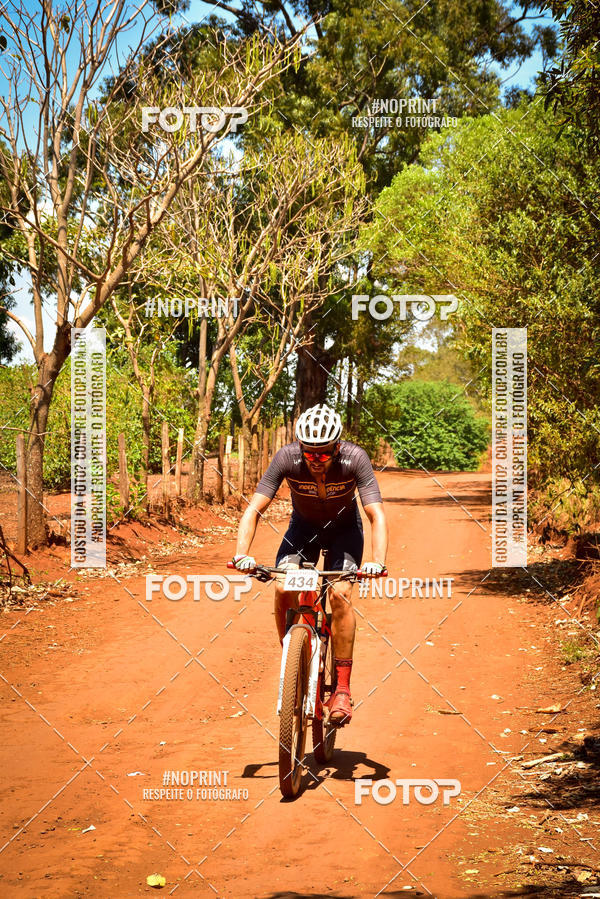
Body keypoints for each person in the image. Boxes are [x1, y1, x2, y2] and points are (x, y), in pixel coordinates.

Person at [231, 404, 388, 726]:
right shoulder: (287, 458)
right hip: (302, 531)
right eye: (309, 453)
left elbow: (375, 514)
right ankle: (293, 653)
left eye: (323, 454)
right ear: (300, 447)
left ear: (338, 447)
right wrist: (241, 554)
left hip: (345, 532)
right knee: (280, 585)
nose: (315, 460)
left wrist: (377, 561)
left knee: (340, 594)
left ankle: (342, 689)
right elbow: (253, 510)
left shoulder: (354, 459)